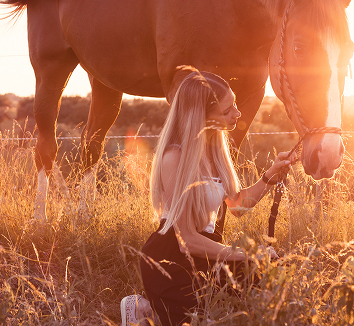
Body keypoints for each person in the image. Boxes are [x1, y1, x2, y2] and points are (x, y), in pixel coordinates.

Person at [121, 70, 295, 326]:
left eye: (234, 104)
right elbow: (186, 242)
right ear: (201, 116)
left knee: (268, 283)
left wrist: (270, 175)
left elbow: (236, 206)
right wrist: (249, 254)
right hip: (172, 258)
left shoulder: (215, 151)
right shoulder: (175, 157)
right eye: (227, 110)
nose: (237, 113)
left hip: (210, 252)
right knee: (200, 320)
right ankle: (145, 311)